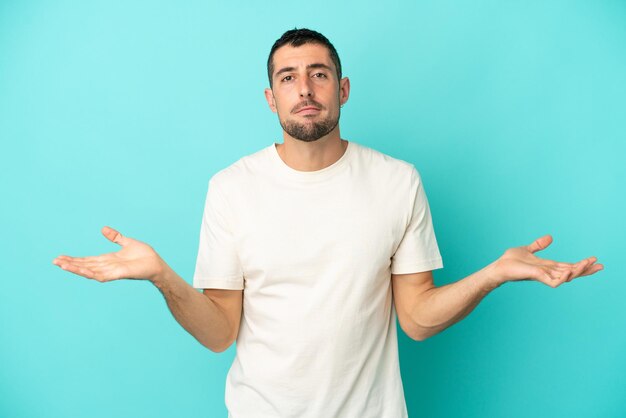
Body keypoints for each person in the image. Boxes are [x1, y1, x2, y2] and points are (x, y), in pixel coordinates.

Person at [52, 28, 603, 418]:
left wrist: (494, 273)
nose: (305, 88)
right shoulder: (231, 188)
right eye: (288, 78)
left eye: (319, 74)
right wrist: (162, 277)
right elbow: (220, 331)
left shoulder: (397, 181)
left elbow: (416, 318)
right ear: (271, 99)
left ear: (342, 89)